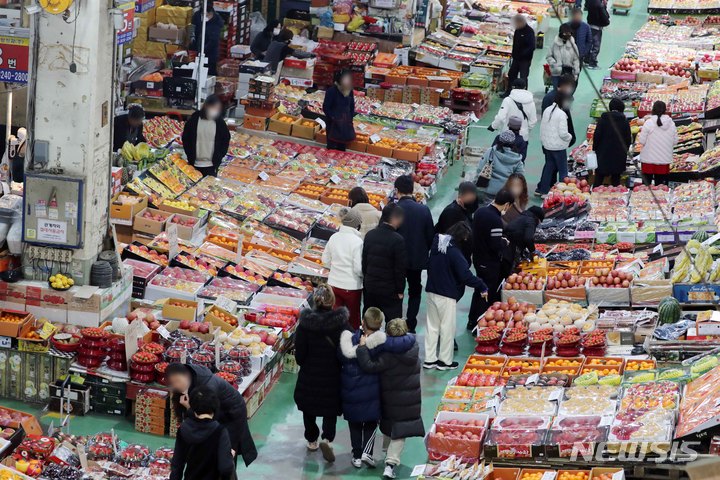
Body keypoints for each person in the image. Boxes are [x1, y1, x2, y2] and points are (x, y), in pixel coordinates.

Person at [338, 308, 415, 469]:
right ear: (381, 325)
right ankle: (368, 451)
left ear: (362, 322)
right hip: (372, 391)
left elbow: (340, 358)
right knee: (371, 422)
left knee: (355, 424)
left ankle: (357, 455)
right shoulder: (383, 344)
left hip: (351, 390)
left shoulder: (349, 340)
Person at [356, 319, 423, 480]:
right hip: (409, 398)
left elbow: (370, 366)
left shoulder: (385, 352)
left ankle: (388, 457)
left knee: (389, 424)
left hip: (388, 395)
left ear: (388, 332)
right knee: (401, 430)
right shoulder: (413, 347)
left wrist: (362, 349)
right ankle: (390, 464)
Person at [293, 285, 350, 463]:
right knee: (330, 410)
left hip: (309, 376)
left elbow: (299, 356)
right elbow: (347, 351)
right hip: (332, 377)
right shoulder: (341, 324)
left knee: (308, 410)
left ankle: (312, 440)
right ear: (332, 301)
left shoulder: (304, 325)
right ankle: (328, 439)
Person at [165, 363, 257, 467]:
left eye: (177, 381)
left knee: (226, 449)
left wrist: (189, 408)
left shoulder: (208, 387)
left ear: (186, 376)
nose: (175, 386)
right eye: (172, 383)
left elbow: (206, 418)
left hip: (230, 414)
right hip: (215, 410)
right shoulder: (189, 375)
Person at [425, 222, 488, 370]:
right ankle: (445, 361)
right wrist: (481, 285)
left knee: (432, 326)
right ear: (462, 237)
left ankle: (429, 359)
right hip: (446, 294)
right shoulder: (454, 252)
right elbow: (465, 275)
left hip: (431, 290)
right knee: (447, 328)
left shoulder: (437, 246)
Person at [468, 189, 515, 330]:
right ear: (507, 204)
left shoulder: (480, 212)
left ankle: (472, 321)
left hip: (478, 258)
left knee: (479, 289)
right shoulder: (495, 220)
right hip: (489, 262)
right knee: (487, 292)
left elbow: (483, 235)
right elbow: (495, 245)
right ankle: (481, 323)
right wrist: (504, 242)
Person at [394, 175, 434, 333]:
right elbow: (430, 235)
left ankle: (396, 324)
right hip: (416, 259)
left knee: (397, 290)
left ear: (397, 191)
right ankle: (411, 323)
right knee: (415, 290)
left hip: (396, 259)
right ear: (412, 190)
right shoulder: (423, 209)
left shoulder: (393, 210)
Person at [169, 388, 235, 480]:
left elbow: (177, 464)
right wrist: (229, 456)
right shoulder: (220, 431)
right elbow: (225, 469)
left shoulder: (184, 429)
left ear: (193, 406)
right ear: (215, 407)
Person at [362, 203, 406, 322]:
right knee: (393, 323)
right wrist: (400, 290)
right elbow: (399, 269)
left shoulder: (369, 235)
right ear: (395, 218)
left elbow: (364, 263)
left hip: (371, 288)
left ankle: (365, 340)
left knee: (369, 321)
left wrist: (366, 282)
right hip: (389, 291)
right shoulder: (398, 240)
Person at [322, 207, 364, 329]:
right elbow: (358, 268)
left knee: (334, 318)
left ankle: (334, 343)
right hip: (352, 287)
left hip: (333, 284)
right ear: (357, 224)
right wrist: (362, 277)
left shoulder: (334, 237)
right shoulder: (357, 242)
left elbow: (325, 260)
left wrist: (334, 268)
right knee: (353, 319)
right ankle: (352, 343)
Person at [181, 95, 231, 177]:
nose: (215, 111)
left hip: (211, 165)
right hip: (194, 164)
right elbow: (186, 139)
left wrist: (219, 156)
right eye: (213, 108)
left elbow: (225, 139)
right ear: (206, 106)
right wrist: (190, 155)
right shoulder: (194, 120)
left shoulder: (219, 123)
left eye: (217, 109)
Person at [536, 92, 574, 195]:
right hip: (558, 147)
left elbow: (542, 129)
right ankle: (562, 193)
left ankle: (543, 190)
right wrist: (569, 137)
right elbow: (563, 133)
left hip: (548, 145)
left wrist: (543, 141)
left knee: (549, 167)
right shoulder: (561, 114)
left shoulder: (547, 110)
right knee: (563, 170)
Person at [435, 181, 478, 262]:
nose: (473, 200)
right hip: (452, 258)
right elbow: (448, 238)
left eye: (474, 197)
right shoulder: (452, 212)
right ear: (460, 196)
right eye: (470, 197)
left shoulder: (466, 208)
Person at [593, 97, 631, 187]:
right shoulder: (624, 121)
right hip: (618, 155)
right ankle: (616, 198)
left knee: (598, 179)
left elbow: (596, 136)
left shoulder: (602, 120)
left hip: (603, 154)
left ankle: (593, 197)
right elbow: (628, 139)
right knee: (616, 181)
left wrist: (595, 149)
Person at [477, 130, 525, 202]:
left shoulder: (491, 152)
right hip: (505, 193)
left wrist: (476, 184)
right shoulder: (517, 159)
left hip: (488, 188)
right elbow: (520, 177)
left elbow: (480, 168)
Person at [638, 101, 677, 186]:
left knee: (646, 188)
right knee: (661, 188)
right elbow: (675, 142)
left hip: (648, 160)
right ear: (665, 110)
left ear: (653, 109)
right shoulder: (671, 124)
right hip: (664, 160)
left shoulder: (648, 123)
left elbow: (641, 141)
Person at [503, 206, 545, 272]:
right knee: (510, 271)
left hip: (506, 246)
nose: (538, 224)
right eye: (539, 222)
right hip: (512, 249)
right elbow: (528, 238)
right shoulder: (531, 221)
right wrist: (533, 252)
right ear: (537, 218)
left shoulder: (521, 217)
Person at [323, 70, 356, 151]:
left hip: (345, 124)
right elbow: (326, 107)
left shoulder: (349, 91)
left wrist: (350, 119)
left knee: (342, 148)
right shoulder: (332, 91)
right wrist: (333, 118)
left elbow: (352, 106)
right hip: (333, 124)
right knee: (332, 147)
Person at [191, 1, 224, 76]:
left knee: (210, 73)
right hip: (200, 50)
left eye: (205, 15)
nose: (203, 16)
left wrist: (202, 51)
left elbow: (213, 41)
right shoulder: (198, 16)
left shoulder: (216, 23)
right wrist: (192, 39)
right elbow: (193, 27)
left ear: (210, 13)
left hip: (210, 54)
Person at [505, 15, 535, 96]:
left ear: (522, 22)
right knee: (511, 75)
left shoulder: (529, 32)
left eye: (517, 23)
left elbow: (532, 47)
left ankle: (524, 94)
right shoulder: (517, 30)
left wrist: (522, 54)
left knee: (523, 77)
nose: (516, 25)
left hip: (525, 59)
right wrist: (513, 54)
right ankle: (509, 92)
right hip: (516, 58)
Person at [586, 0, 610, 69]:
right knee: (596, 46)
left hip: (590, 25)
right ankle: (592, 63)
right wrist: (605, 6)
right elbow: (605, 17)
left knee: (589, 44)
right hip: (597, 28)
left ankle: (587, 59)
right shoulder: (600, 5)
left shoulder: (590, 2)